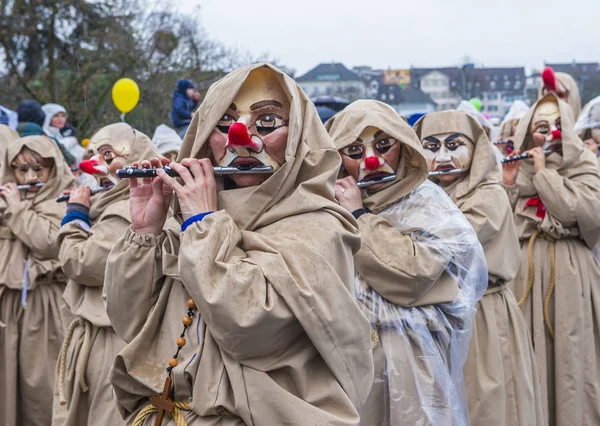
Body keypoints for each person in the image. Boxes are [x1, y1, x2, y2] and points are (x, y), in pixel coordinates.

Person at [104, 63, 373, 425]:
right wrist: (145, 232)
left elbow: (250, 329)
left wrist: (203, 223)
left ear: (297, 138)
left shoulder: (319, 226)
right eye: (226, 124)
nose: (241, 139)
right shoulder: (188, 220)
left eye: (266, 123)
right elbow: (127, 319)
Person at [326, 100, 487, 425]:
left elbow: (412, 272)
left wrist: (359, 216)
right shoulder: (327, 203)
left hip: (410, 351)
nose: (372, 160)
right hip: (349, 356)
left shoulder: (426, 201)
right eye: (354, 151)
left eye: (384, 146)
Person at [414, 110, 544, 426]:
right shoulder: (420, 194)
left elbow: (447, 244)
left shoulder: (489, 195)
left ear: (476, 149)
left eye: (453, 144)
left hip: (481, 315)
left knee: (487, 403)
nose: (442, 156)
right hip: (437, 316)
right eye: (431, 147)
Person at [502, 93, 600, 426]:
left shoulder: (585, 165)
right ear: (528, 133)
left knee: (572, 357)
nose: (552, 134)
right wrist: (510, 184)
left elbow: (580, 212)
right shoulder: (515, 169)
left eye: (559, 126)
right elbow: (502, 223)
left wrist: (543, 175)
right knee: (527, 355)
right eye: (542, 127)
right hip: (525, 279)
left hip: (572, 276)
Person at [53, 123, 159, 426]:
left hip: (114, 341)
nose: (94, 165)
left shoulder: (128, 210)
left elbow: (81, 263)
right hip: (100, 337)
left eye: (108, 154)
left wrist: (75, 215)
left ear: (137, 157)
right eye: (92, 156)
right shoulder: (109, 204)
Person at [0, 135, 74, 426]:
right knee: (8, 384)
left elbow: (46, 241)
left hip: (44, 306)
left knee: (40, 388)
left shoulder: (64, 199)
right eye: (20, 170)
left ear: (52, 169)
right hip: (9, 306)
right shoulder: (10, 199)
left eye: (37, 169)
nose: (29, 177)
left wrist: (17, 210)